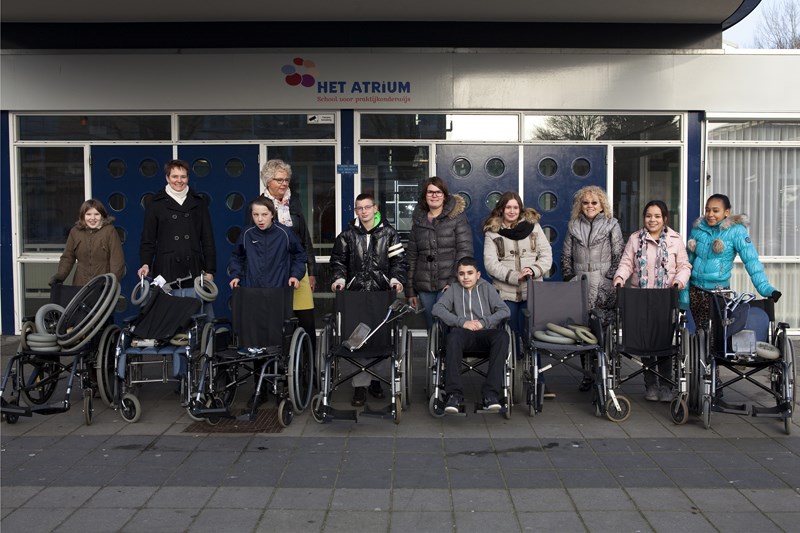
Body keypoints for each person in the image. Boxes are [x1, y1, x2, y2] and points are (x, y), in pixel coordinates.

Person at [330, 193, 408, 406]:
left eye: (367, 207)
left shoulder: (390, 234)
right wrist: (339, 280)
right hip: (355, 294)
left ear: (375, 208)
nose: (363, 211)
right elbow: (338, 262)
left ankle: (376, 381)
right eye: (359, 208)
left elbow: (399, 262)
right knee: (358, 337)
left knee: (379, 337)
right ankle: (360, 386)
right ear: (356, 211)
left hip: (381, 293)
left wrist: (395, 279)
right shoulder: (346, 235)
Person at [681, 194, 781, 360]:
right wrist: (683, 293)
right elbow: (687, 264)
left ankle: (713, 380)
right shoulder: (698, 229)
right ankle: (698, 379)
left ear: (726, 212)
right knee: (695, 337)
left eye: (715, 210)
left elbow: (752, 262)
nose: (710, 214)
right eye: (707, 210)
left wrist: (766, 289)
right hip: (695, 290)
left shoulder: (736, 231)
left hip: (717, 293)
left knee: (714, 340)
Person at [613, 200, 692, 402]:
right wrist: (620, 278)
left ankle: (666, 385)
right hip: (641, 296)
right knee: (646, 342)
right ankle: (650, 385)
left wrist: (678, 283)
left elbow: (684, 266)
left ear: (664, 218)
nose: (652, 220)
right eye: (649, 216)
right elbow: (626, 263)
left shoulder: (675, 239)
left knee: (664, 340)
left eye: (657, 216)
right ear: (644, 218)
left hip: (666, 297)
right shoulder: (635, 239)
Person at [561, 185, 624, 392]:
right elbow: (565, 256)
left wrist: (608, 278)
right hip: (580, 283)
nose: (589, 206)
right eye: (586, 202)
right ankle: (588, 375)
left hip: (604, 284)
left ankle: (607, 374)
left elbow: (618, 255)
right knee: (583, 331)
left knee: (604, 330)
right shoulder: (573, 225)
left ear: (601, 205)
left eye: (594, 202)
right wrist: (570, 277)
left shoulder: (611, 224)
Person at [432, 256, 511, 413]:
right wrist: (462, 322)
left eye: (470, 273)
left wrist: (484, 322)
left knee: (503, 336)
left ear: (478, 275)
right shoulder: (453, 289)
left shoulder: (487, 288)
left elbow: (504, 310)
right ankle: (454, 394)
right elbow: (437, 309)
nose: (466, 277)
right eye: (462, 273)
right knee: (452, 336)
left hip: (486, 334)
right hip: (463, 335)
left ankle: (490, 394)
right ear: (457, 275)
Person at [258, 159, 317, 350]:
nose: (284, 183)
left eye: (286, 179)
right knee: (277, 322)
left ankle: (308, 373)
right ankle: (280, 369)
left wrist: (312, 270)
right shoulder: (258, 206)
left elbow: (304, 237)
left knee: (306, 320)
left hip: (299, 268)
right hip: (273, 272)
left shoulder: (295, 201)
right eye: (279, 180)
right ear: (268, 182)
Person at [483, 191, 552, 351]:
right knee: (509, 333)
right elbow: (490, 263)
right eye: (508, 207)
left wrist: (533, 270)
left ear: (520, 209)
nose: (512, 211)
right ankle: (510, 371)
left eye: (515, 207)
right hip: (505, 292)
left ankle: (536, 373)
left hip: (532, 289)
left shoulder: (533, 227)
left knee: (532, 333)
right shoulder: (492, 232)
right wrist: (515, 276)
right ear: (501, 209)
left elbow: (546, 254)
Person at [406, 176, 473, 328]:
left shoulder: (457, 218)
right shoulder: (418, 221)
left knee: (448, 325)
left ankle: (448, 352)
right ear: (425, 196)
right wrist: (410, 290)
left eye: (438, 192)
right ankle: (434, 352)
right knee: (432, 326)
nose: (434, 195)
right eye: (430, 192)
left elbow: (465, 251)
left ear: (444, 195)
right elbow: (411, 258)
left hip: (449, 284)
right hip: (425, 286)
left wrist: (453, 281)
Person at [229, 197, 306, 290]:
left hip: (280, 290)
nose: (260, 219)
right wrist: (236, 276)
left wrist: (295, 275)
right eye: (255, 215)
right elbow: (237, 256)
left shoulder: (285, 233)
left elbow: (300, 255)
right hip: (252, 290)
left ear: (272, 214)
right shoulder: (247, 233)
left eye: (264, 214)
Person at [51, 198, 125, 286]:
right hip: (80, 285)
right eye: (88, 214)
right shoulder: (75, 232)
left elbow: (117, 261)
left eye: (97, 214)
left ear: (102, 216)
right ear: (83, 216)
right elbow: (68, 258)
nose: (92, 218)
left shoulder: (109, 231)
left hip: (103, 285)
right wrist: (59, 277)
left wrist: (111, 282)